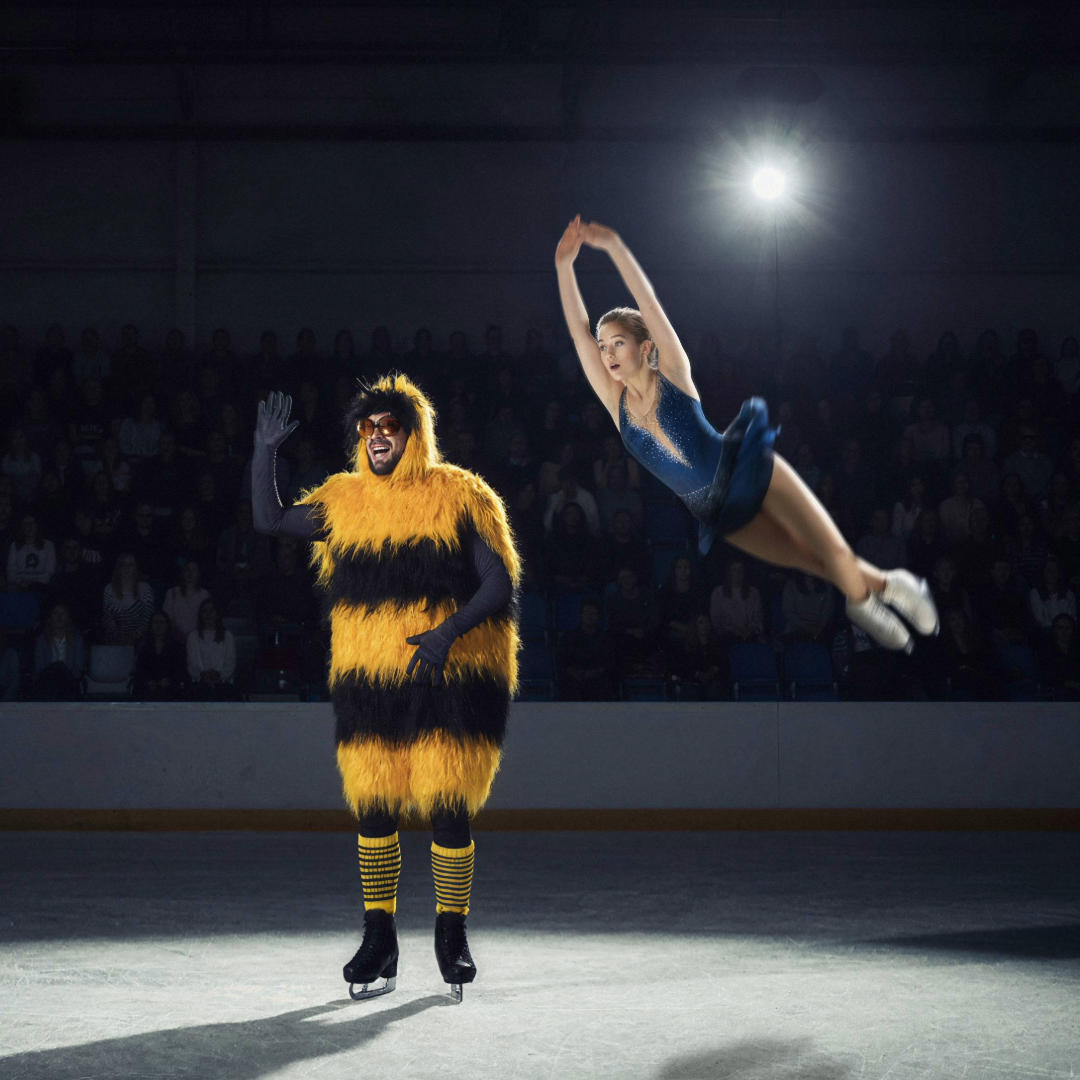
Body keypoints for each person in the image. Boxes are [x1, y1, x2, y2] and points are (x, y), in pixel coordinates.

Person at [555, 215, 937, 654]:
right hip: (717, 512)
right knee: (815, 564)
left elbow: (648, 301)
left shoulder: (674, 374)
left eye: (617, 342)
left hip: (745, 468)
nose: (606, 354)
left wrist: (614, 245)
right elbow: (578, 335)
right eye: (603, 347)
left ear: (645, 347)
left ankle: (874, 598)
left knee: (830, 550)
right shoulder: (613, 402)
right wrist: (564, 266)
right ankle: (888, 587)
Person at [252, 377, 520, 1003]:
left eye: (388, 427)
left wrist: (446, 634)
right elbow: (269, 520)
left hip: (445, 681)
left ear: (412, 434)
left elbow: (497, 583)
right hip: (368, 682)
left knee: (448, 806)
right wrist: (265, 451)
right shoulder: (344, 501)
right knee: (374, 808)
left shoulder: (457, 494)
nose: (376, 436)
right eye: (367, 428)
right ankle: (380, 938)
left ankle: (451, 936)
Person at [186, 597, 238, 699]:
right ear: (200, 615)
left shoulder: (227, 636)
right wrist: (203, 676)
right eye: (205, 611)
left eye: (211, 611)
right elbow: (192, 664)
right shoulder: (193, 636)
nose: (208, 614)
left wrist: (218, 676)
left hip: (223, 683)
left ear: (217, 613)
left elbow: (230, 663)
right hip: (200, 684)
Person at [32, 602, 85, 700]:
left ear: (68, 618)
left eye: (63, 613)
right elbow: (39, 668)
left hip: (69, 683)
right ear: (49, 618)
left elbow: (79, 667)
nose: (59, 617)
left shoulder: (77, 640)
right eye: (55, 613)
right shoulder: (41, 640)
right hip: (47, 683)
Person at [101, 552, 155, 644]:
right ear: (118, 567)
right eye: (123, 565)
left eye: (130, 564)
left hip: (140, 642)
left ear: (135, 567)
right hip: (115, 642)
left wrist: (133, 637)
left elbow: (148, 618)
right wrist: (118, 637)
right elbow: (107, 617)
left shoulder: (145, 589)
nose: (127, 568)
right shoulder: (109, 589)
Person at [134, 611, 188, 700]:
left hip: (171, 690)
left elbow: (181, 669)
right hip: (148, 690)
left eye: (161, 622)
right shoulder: (144, 648)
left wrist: (169, 680)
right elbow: (140, 671)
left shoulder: (177, 647)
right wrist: (148, 682)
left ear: (167, 625)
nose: (158, 625)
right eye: (155, 622)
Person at [163, 560, 212, 641]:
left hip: (199, 639)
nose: (190, 573)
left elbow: (208, 617)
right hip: (176, 639)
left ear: (198, 573)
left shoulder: (204, 594)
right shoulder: (172, 593)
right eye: (187, 569)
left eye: (194, 570)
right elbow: (166, 617)